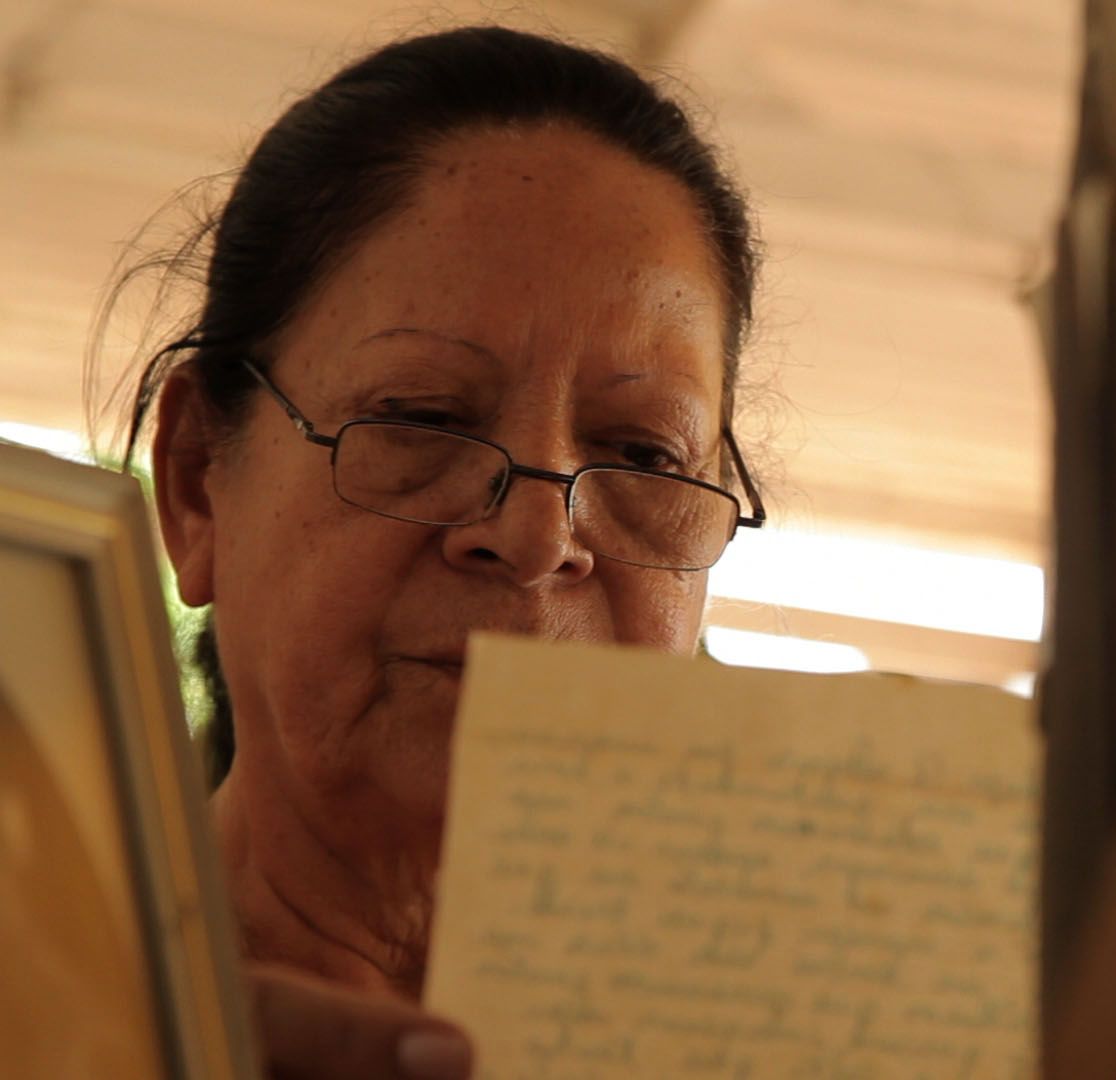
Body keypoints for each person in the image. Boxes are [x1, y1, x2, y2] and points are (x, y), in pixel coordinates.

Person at [111, 25, 764, 1079]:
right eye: (421, 416)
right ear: (196, 486)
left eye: (645, 452)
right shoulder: (46, 1011)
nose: (538, 537)